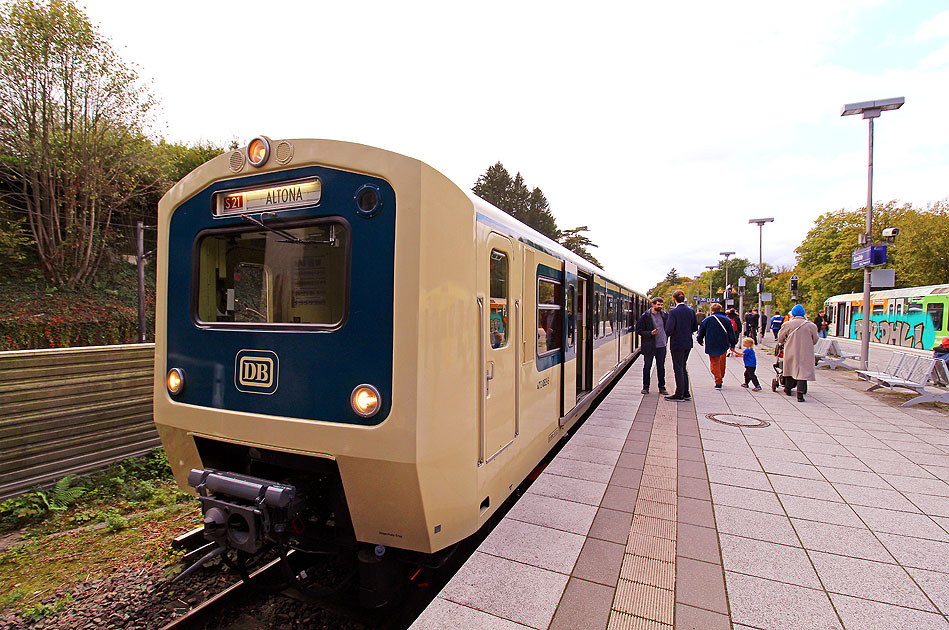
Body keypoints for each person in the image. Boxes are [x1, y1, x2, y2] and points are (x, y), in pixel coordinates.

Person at [777, 304, 819, 402]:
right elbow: (815, 339)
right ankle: (800, 393)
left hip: (791, 350)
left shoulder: (787, 324)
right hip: (806, 351)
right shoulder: (811, 325)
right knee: (803, 371)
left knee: (790, 368)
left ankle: (788, 388)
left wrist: (784, 343)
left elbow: (781, 338)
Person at [664, 290, 698, 401]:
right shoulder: (691, 311)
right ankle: (686, 392)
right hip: (688, 342)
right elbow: (694, 328)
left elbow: (669, 329)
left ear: (674, 299)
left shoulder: (673, 312)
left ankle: (679, 394)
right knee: (683, 366)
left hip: (677, 343)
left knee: (678, 367)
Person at [696, 303, 737, 389]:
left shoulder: (707, 320)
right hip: (724, 343)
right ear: (720, 309)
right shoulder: (727, 320)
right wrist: (732, 344)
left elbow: (701, 331)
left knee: (714, 362)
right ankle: (720, 377)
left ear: (712, 310)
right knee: (722, 362)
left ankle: (718, 380)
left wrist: (700, 340)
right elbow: (731, 333)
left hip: (712, 343)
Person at [637, 297, 668, 395]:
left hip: (661, 345)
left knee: (661, 367)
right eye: (658, 305)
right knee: (647, 366)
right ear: (653, 304)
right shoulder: (645, 316)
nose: (660, 307)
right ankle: (645, 387)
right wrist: (650, 333)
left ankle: (662, 387)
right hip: (649, 345)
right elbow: (639, 331)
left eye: (661, 305)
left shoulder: (664, 315)